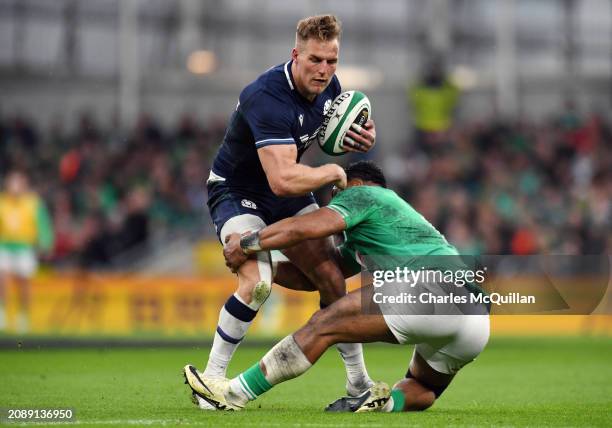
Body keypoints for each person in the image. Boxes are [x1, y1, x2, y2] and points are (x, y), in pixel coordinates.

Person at [184, 160, 489, 412]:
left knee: (322, 325)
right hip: (474, 318)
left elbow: (304, 227)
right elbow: (320, 276)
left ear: (354, 185)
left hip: (431, 290)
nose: (335, 196)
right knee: (423, 388)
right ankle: (380, 403)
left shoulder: (363, 195)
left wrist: (248, 244)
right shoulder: (384, 224)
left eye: (336, 191)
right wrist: (266, 268)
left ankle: (231, 395)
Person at [193, 14, 377, 408]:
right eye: (314, 60)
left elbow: (327, 140)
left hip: (289, 190)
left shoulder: (332, 89)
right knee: (257, 282)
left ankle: (359, 385)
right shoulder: (266, 96)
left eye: (331, 61)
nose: (324, 70)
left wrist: (358, 137)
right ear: (296, 54)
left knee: (329, 277)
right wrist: (331, 171)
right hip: (238, 189)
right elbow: (280, 180)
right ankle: (212, 382)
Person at [0, 170, 54, 333]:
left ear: (24, 185)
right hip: (4, 246)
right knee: (2, 279)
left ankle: (24, 317)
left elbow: (43, 225)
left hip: (24, 247)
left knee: (24, 283)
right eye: (12, 183)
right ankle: (2, 314)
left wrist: (46, 243)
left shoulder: (33, 203)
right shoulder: (2, 202)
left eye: (17, 183)